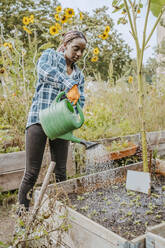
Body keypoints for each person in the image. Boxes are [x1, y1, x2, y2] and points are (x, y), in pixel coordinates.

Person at [18, 30, 87, 210]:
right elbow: (43, 71)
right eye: (76, 48)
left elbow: (82, 100)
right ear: (65, 45)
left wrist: (76, 102)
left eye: (82, 51)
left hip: (62, 126)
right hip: (39, 120)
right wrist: (68, 85)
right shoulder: (49, 56)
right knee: (31, 173)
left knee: (61, 173)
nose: (79, 54)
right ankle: (22, 217)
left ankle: (58, 217)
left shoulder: (79, 76)